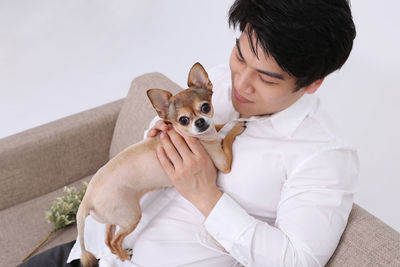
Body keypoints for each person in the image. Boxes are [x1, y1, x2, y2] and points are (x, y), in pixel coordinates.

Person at [20, 0, 358, 266]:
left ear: (312, 83)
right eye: (239, 57)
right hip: (87, 250)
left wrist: (205, 196)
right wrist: (157, 134)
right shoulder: (214, 82)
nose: (240, 84)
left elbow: (297, 260)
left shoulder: (324, 156)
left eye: (267, 79)